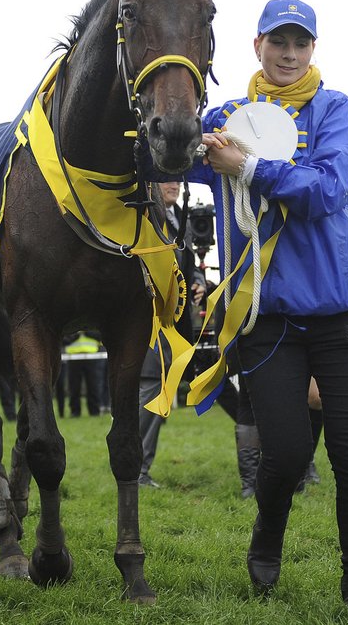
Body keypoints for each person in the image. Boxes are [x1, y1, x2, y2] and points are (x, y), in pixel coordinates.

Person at [191, 0, 348, 615]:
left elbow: (329, 190)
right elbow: (162, 153)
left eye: (301, 44)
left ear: (313, 50)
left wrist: (246, 165)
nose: (290, 54)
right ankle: (268, 532)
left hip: (345, 314)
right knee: (289, 452)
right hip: (269, 320)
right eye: (279, 42)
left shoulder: (337, 111)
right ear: (257, 46)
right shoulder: (226, 116)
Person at [138, 180, 206, 489]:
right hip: (149, 319)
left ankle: (140, 466)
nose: (175, 185)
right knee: (152, 389)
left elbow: (188, 262)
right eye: (167, 178)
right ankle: (136, 470)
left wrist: (199, 282)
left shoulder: (180, 216)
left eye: (178, 179)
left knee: (160, 390)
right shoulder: (143, 214)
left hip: (176, 324)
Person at [62, 330, 105, 417]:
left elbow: (100, 336)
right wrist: (76, 335)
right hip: (73, 357)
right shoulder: (71, 325)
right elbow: (64, 340)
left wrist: (86, 332)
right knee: (74, 387)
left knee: (93, 386)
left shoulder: (91, 325)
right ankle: (75, 412)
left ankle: (95, 411)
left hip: (92, 356)